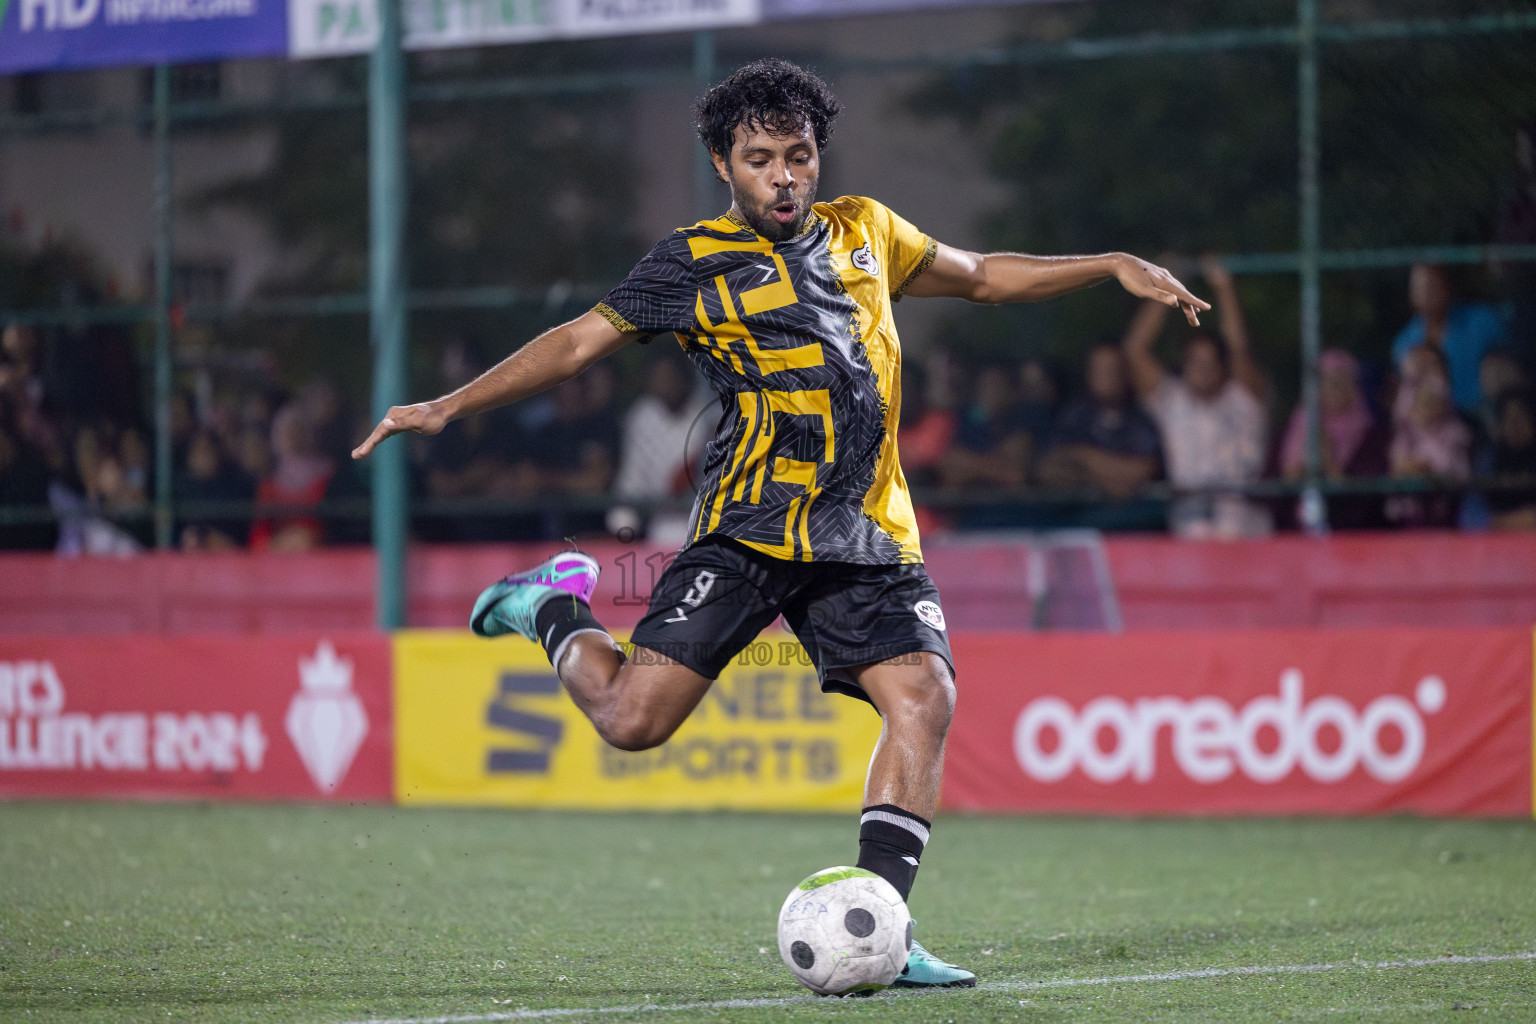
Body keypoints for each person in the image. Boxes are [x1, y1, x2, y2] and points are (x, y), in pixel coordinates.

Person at [352, 58, 1209, 990]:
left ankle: (882, 923)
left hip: (867, 535)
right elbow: (575, 343)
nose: (784, 177)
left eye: (798, 156)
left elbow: (986, 277)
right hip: (749, 529)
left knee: (924, 697)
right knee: (633, 723)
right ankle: (551, 609)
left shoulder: (869, 231)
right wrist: (447, 406)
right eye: (760, 159)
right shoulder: (689, 262)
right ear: (725, 165)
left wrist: (1112, 265)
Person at [1123, 257, 1270, 538]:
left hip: (1242, 519)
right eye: (1195, 362)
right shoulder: (1172, 400)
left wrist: (1224, 289)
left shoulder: (1243, 399)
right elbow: (1134, 351)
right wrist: (1165, 287)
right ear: (1184, 366)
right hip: (1188, 520)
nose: (1202, 370)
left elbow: (1239, 350)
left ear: (1222, 366)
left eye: (1210, 362)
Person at [1277, 349, 1390, 530]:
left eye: (1341, 382)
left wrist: (1328, 460)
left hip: (1352, 533)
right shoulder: (1303, 423)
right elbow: (1285, 485)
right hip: (1299, 531)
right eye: (1328, 382)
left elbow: (1365, 498)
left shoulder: (1369, 433)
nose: (1335, 389)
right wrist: (1308, 461)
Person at [1037, 341, 1162, 500]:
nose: (1106, 375)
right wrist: (1101, 480)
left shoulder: (1141, 420)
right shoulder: (1072, 418)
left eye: (1112, 368)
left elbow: (1142, 471)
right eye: (1099, 369)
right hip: (1076, 519)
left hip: (1133, 519)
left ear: (1124, 372)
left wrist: (1079, 455)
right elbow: (1047, 470)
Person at [608, 348, 709, 546]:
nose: (665, 382)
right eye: (659, 376)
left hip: (706, 521)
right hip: (660, 524)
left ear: (684, 377)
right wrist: (623, 525)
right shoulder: (642, 416)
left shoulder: (708, 413)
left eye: (670, 375)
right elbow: (632, 480)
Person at [1390, 263, 1504, 415]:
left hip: (1484, 416)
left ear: (1447, 285)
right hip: (1433, 424)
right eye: (1418, 288)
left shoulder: (1482, 322)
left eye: (1431, 285)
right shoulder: (1404, 343)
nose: (1425, 294)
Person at [1386, 345, 1472, 528]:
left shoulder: (1458, 431)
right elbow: (1397, 466)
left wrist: (1426, 469)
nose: (1427, 408)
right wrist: (1404, 468)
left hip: (1446, 519)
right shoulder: (1402, 433)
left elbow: (1457, 473)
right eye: (1422, 403)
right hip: (1408, 521)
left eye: (1432, 403)